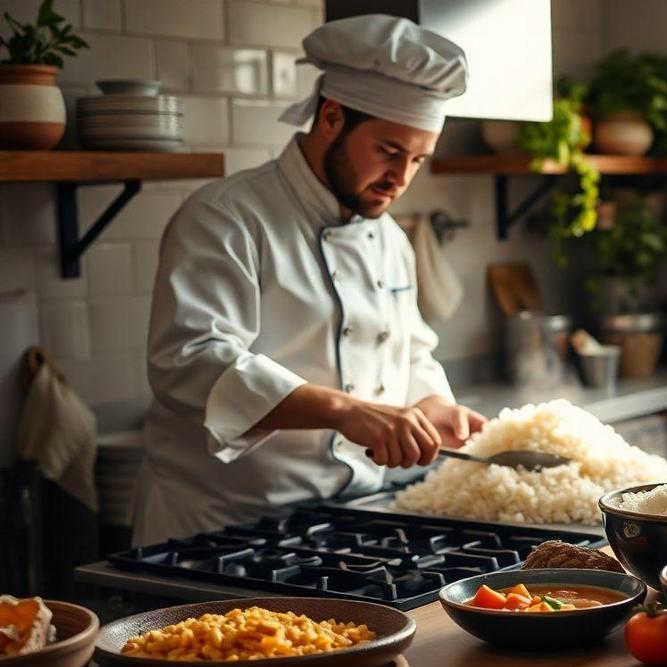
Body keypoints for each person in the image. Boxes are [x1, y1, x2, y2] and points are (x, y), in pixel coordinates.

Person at [133, 16, 485, 545]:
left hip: (350, 518)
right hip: (219, 528)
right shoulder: (226, 216)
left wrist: (432, 403)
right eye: (389, 151)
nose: (402, 178)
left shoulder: (387, 236)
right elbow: (191, 362)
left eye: (417, 159)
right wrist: (346, 412)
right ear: (331, 117)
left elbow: (410, 350)